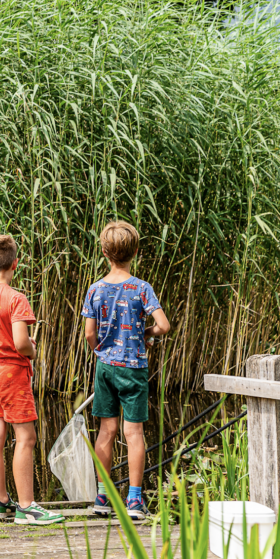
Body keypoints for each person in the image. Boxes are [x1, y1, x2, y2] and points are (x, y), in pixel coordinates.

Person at [0, 234, 64, 525]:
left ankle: (0, 502)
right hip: (10, 373)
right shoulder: (16, 299)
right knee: (26, 437)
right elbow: (21, 344)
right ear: (15, 264)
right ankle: (27, 507)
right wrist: (32, 350)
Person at [82, 221, 171, 520]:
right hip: (133, 368)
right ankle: (134, 501)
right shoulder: (142, 288)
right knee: (133, 433)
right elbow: (164, 326)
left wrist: (100, 349)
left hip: (105, 367)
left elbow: (88, 333)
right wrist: (148, 332)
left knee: (106, 431)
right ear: (135, 252)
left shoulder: (95, 289)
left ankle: (103, 496)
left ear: (104, 252)